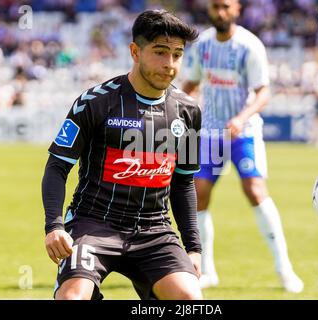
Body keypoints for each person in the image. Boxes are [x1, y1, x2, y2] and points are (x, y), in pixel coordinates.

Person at [41, 10, 203, 300]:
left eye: (177, 55)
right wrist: (54, 226)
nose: (169, 65)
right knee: (72, 298)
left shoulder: (188, 111)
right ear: (135, 51)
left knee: (190, 300)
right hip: (92, 224)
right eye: (160, 52)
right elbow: (57, 166)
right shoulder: (95, 102)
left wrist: (193, 248)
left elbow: (183, 183)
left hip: (155, 231)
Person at [182, 0, 304, 293]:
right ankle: (206, 270)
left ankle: (284, 269)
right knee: (199, 194)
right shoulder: (202, 45)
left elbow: (263, 93)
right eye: (215, 7)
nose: (220, 12)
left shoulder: (250, 46)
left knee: (255, 190)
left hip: (244, 132)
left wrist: (241, 118)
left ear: (237, 9)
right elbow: (191, 84)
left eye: (225, 6)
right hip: (210, 132)